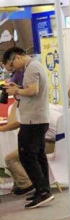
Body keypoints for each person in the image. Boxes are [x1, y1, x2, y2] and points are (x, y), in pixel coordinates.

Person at [2, 47, 52, 208]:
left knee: (27, 155)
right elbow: (30, 90)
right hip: (37, 119)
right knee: (38, 155)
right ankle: (43, 189)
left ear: (17, 57)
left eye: (12, 64)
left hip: (32, 120)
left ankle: (42, 191)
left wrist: (16, 90)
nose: (14, 69)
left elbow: (33, 90)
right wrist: (18, 88)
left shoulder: (31, 68)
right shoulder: (34, 67)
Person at [0, 102, 34, 197]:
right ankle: (21, 181)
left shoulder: (24, 104)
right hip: (45, 141)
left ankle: (26, 184)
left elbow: (14, 124)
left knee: (10, 158)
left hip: (37, 143)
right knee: (11, 152)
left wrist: (2, 129)